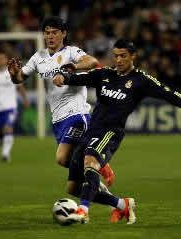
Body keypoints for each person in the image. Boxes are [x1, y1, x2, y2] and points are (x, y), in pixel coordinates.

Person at [53, 39, 181, 224]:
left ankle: (83, 210)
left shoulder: (141, 80)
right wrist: (63, 77)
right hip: (91, 130)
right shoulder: (104, 74)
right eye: (116, 56)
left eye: (123, 56)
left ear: (133, 57)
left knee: (91, 160)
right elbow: (79, 78)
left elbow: (169, 94)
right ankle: (122, 205)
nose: (118, 60)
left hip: (110, 132)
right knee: (73, 188)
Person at [7, 16, 114, 189]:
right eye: (47, 33)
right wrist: (13, 74)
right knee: (66, 161)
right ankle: (97, 172)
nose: (50, 36)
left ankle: (97, 163)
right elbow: (19, 79)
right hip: (58, 118)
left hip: (77, 113)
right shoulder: (38, 57)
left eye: (54, 33)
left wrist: (74, 66)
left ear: (63, 34)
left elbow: (93, 62)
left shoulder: (71, 52)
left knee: (61, 157)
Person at [0, 49, 29, 162]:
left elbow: (20, 87)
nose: (0, 60)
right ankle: (2, 141)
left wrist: (25, 100)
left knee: (8, 127)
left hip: (10, 106)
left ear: (6, 60)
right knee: (0, 131)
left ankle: (5, 154)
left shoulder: (10, 72)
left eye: (2, 58)